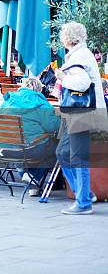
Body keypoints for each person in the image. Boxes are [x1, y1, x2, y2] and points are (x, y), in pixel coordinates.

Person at [55, 22, 106, 215]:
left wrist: (61, 76)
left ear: (68, 38)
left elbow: (82, 84)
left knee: (78, 157)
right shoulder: (82, 54)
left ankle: (83, 202)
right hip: (79, 113)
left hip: (81, 113)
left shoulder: (78, 57)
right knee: (63, 152)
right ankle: (84, 193)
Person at [0, 77, 61, 196]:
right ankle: (33, 178)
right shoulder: (40, 102)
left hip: (4, 148)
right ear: (38, 89)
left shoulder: (8, 100)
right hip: (28, 148)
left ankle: (27, 178)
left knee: (34, 145)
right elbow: (52, 127)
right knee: (56, 148)